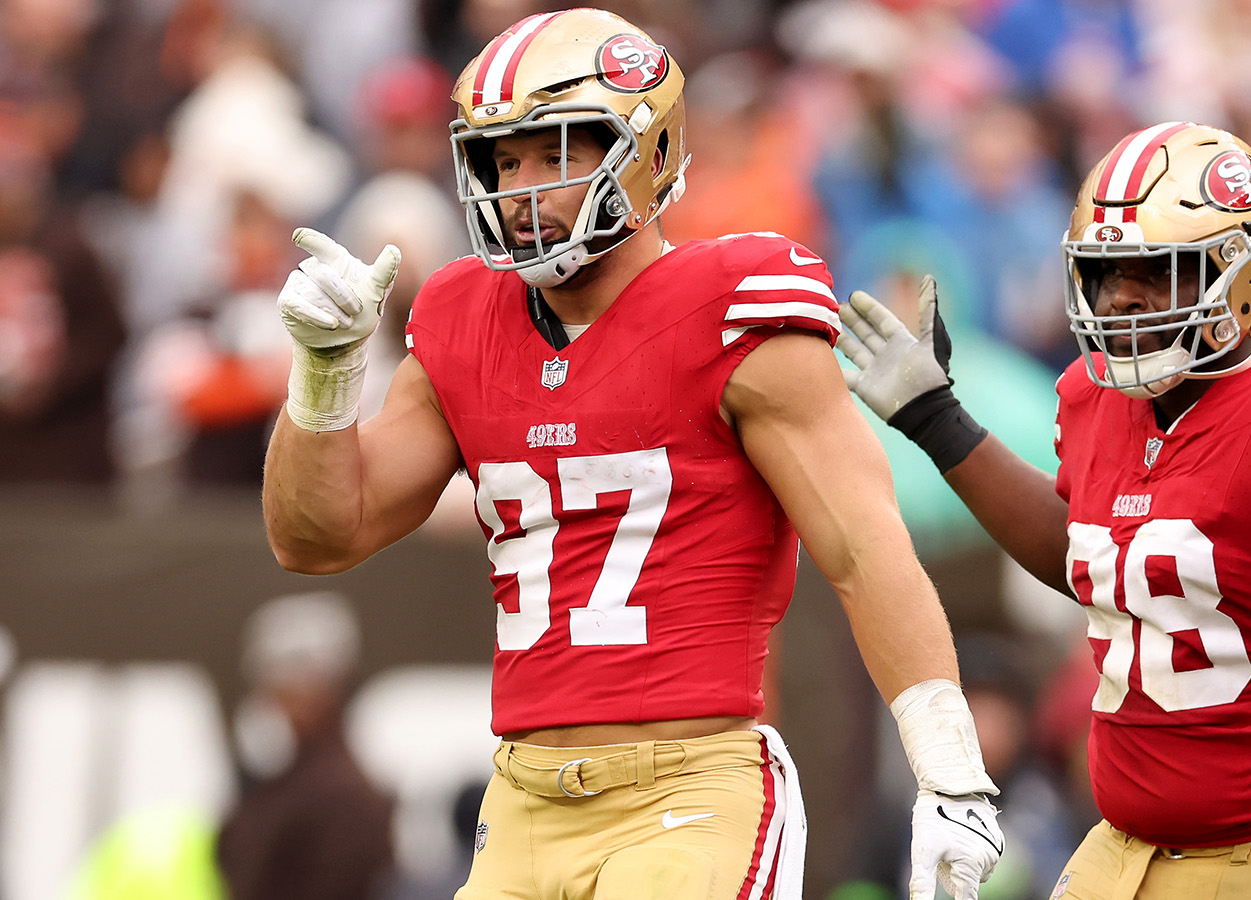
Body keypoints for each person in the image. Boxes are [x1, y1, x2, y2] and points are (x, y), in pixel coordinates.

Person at [260, 9, 1002, 900]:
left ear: (645, 154)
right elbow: (317, 535)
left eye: (555, 152)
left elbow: (863, 551)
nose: (522, 187)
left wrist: (950, 772)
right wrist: (325, 374)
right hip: (524, 799)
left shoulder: (733, 306)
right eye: (503, 160)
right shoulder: (462, 319)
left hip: (690, 791)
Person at [838, 121, 1251, 899]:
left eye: (1155, 272)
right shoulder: (1089, 399)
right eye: (1105, 272)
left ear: (1241, 279)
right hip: (1134, 851)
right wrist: (937, 419)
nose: (1122, 295)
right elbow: (1091, 555)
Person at [216, 592, 394, 900]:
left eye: (280, 688)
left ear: (321, 690)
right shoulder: (282, 782)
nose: (268, 703)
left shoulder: (342, 796)